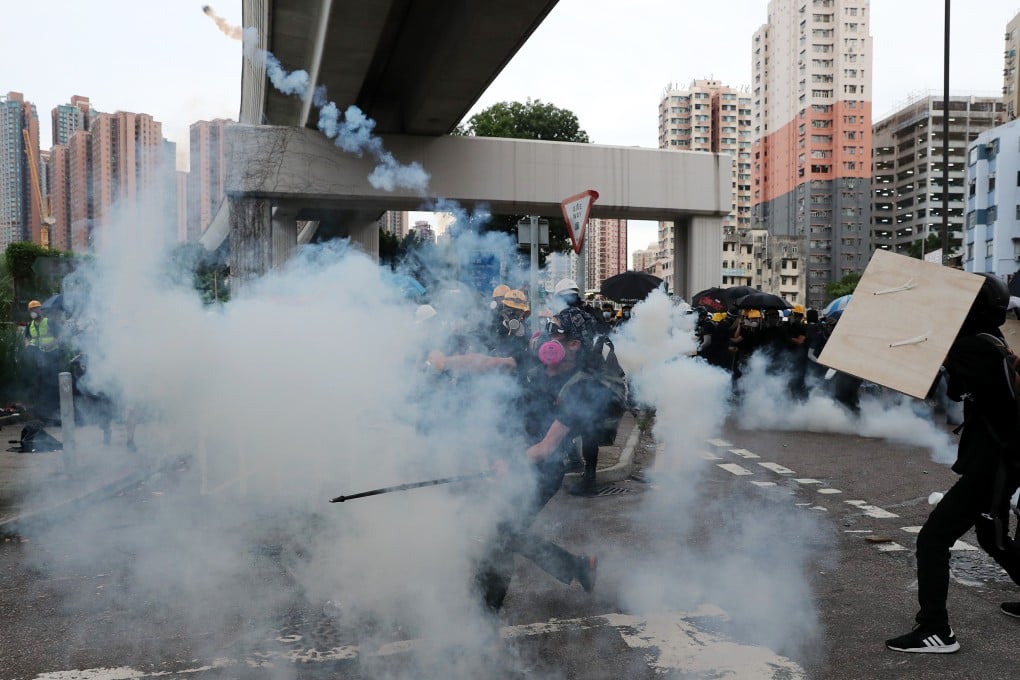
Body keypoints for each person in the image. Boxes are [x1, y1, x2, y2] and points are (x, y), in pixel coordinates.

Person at [886, 273, 1020, 654]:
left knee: (934, 539)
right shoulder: (990, 341)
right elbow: (961, 389)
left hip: (994, 463)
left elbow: (943, 383)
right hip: (997, 460)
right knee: (989, 537)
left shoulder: (972, 346)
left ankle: (935, 630)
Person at [474, 307, 607, 611]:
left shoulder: (581, 387)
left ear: (574, 343)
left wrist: (510, 464)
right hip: (517, 458)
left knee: (504, 534)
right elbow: (496, 364)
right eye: (548, 326)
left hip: (543, 472)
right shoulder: (539, 363)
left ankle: (484, 610)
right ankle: (577, 567)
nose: (547, 333)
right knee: (507, 533)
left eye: (555, 329)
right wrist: (447, 362)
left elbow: (547, 447)